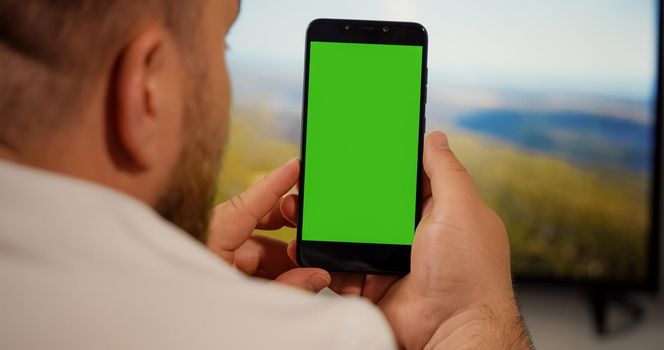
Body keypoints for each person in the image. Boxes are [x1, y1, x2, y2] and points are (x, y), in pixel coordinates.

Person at [0, 0, 533, 349]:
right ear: (146, 89)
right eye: (224, 43)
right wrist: (468, 321)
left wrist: (187, 277)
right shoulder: (320, 341)